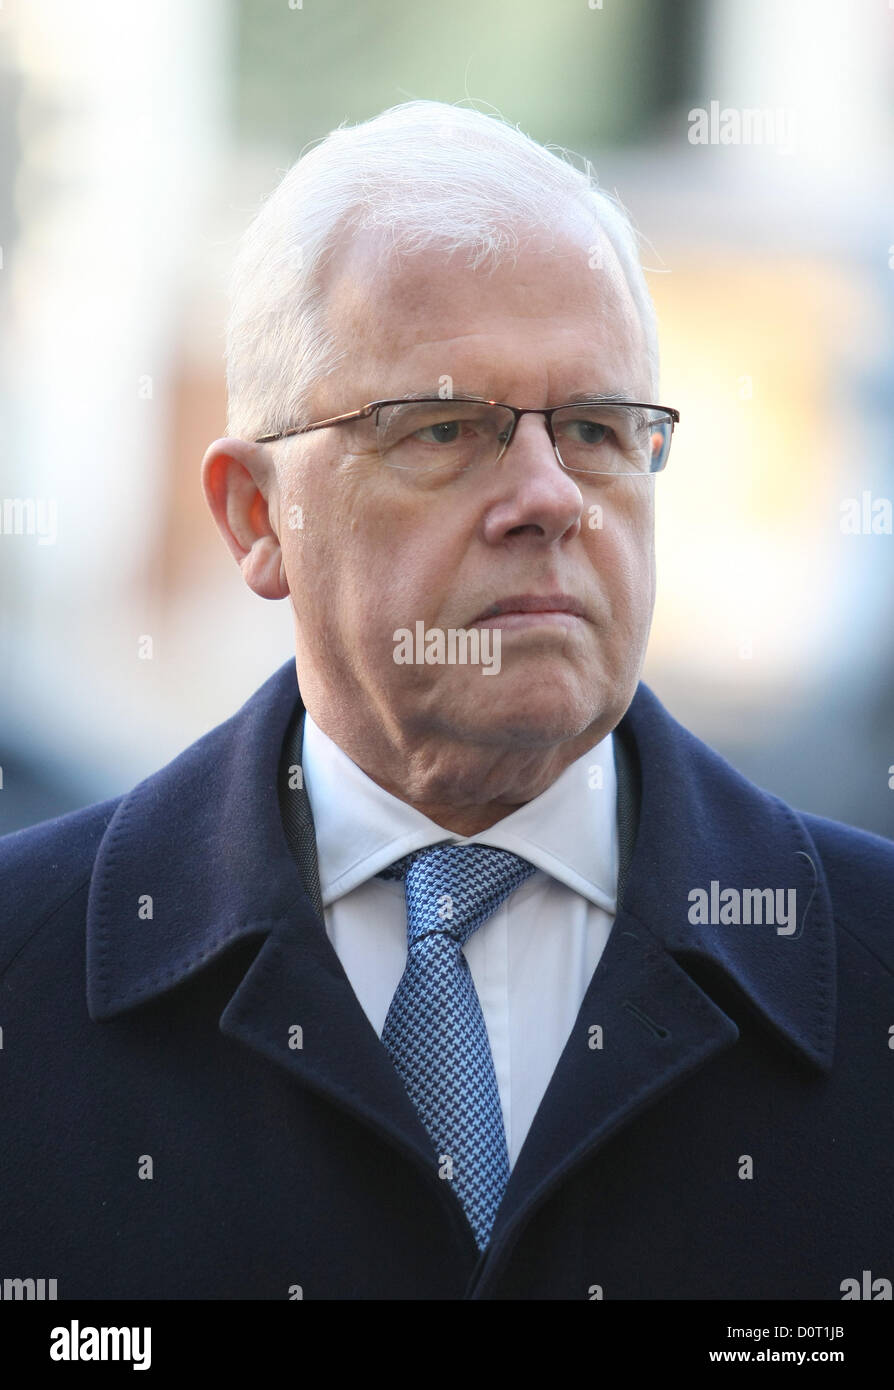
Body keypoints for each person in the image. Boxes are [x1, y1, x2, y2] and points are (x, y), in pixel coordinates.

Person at [1, 100, 892, 1302]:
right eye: (443, 427)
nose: (549, 497)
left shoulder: (860, 965)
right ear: (258, 517)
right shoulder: (31, 978)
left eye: (595, 427)